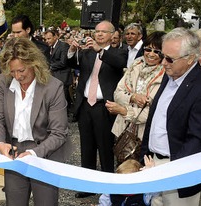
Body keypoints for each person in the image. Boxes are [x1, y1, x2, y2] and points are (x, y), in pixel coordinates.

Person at [140, 27, 201, 206]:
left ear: (191, 58)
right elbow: (155, 121)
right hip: (153, 164)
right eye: (163, 55)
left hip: (177, 175)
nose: (163, 63)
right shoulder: (170, 76)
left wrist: (170, 171)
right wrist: (145, 156)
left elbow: (197, 140)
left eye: (169, 59)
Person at [0, 38, 72, 206]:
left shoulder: (53, 87)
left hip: (45, 154)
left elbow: (59, 133)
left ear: (34, 63)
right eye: (12, 71)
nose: (17, 76)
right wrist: (0, 144)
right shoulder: (4, 81)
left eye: (21, 70)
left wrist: (34, 154)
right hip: (14, 153)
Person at [67, 21, 127, 199]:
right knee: (87, 147)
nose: (99, 34)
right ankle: (88, 185)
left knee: (106, 147)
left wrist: (100, 51)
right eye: (97, 31)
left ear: (112, 34)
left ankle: (109, 185)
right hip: (86, 105)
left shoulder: (118, 52)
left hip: (104, 106)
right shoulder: (87, 52)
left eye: (103, 32)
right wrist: (72, 50)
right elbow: (70, 63)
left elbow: (119, 63)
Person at [106, 31, 166, 157]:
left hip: (145, 134)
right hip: (122, 129)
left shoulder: (166, 74)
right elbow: (117, 93)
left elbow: (152, 112)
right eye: (148, 49)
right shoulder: (136, 64)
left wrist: (123, 111)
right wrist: (133, 97)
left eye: (157, 51)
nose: (151, 54)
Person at [45, 29, 73, 108]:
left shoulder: (63, 45)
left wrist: (49, 67)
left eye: (49, 38)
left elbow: (63, 62)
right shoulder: (49, 47)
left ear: (55, 37)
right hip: (54, 77)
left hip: (62, 78)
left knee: (63, 100)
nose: (47, 41)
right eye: (46, 39)